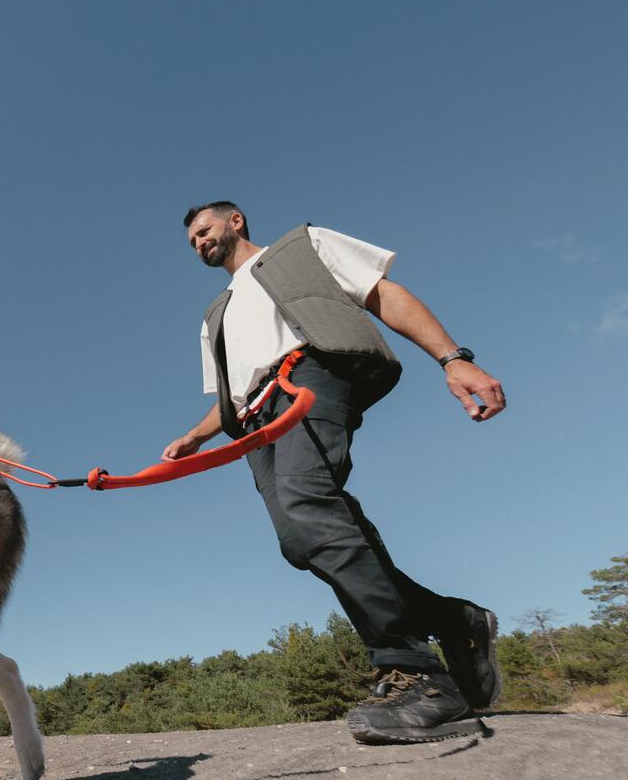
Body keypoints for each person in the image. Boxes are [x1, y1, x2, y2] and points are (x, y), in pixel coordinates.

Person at [165, 203, 506, 743]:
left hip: (307, 377)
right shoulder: (216, 315)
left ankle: (417, 673)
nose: (198, 242)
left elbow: (382, 295)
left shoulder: (303, 247)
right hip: (254, 420)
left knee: (307, 504)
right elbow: (231, 392)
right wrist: (198, 435)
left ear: (235, 220)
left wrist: (452, 358)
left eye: (203, 230)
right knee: (301, 540)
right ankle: (453, 621)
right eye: (191, 242)